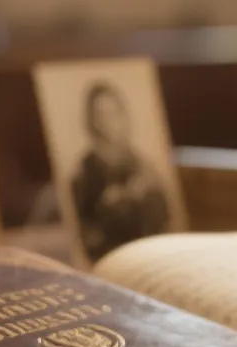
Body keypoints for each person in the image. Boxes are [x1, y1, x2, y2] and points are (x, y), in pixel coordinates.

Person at [70, 81, 170, 262]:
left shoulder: (138, 160)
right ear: (92, 120)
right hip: (114, 257)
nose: (108, 121)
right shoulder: (87, 167)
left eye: (113, 112)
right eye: (101, 115)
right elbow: (89, 226)